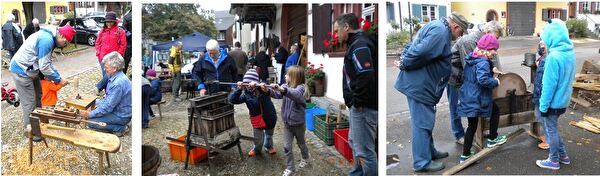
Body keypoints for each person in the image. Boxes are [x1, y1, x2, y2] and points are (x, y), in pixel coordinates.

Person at [394, 12, 470, 172]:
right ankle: (422, 162)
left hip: (423, 85)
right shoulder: (440, 32)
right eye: (461, 32)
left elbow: (414, 45)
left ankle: (429, 152)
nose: (460, 36)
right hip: (420, 86)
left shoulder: (439, 28)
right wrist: (404, 63)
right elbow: (419, 52)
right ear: (455, 26)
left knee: (426, 121)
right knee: (422, 124)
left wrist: (405, 61)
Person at [10, 24, 74, 141]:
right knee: (29, 102)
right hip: (21, 71)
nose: (63, 47)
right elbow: (44, 67)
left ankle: (40, 122)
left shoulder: (49, 37)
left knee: (38, 96)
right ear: (62, 36)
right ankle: (31, 131)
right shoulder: (46, 40)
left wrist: (58, 76)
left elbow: (47, 63)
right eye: (65, 44)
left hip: (31, 70)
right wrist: (59, 80)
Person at [333, 13, 378, 175]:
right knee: (355, 144)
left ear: (346, 27)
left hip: (363, 108)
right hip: (359, 107)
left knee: (365, 152)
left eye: (337, 31)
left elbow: (366, 74)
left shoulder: (359, 44)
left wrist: (357, 102)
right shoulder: (357, 43)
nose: (335, 35)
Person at [448, 21, 504, 144]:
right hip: (456, 76)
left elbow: (490, 60)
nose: (496, 42)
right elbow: (469, 67)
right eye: (496, 38)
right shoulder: (469, 42)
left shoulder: (486, 42)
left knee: (475, 107)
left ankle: (477, 132)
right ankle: (459, 134)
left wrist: (496, 70)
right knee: (457, 107)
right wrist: (491, 81)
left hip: (469, 79)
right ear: (487, 33)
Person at [457, 34, 507, 163]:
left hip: (468, 95)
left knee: (471, 125)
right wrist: (495, 81)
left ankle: (465, 154)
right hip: (477, 97)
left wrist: (491, 70)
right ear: (486, 49)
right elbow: (483, 79)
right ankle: (492, 138)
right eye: (493, 49)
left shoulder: (472, 58)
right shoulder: (484, 62)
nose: (495, 52)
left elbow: (475, 74)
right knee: (495, 110)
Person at [535, 19, 574, 170]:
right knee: (553, 130)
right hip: (563, 101)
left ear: (551, 37)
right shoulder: (569, 54)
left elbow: (549, 86)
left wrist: (543, 106)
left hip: (552, 103)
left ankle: (553, 160)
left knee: (551, 132)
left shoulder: (553, 57)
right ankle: (563, 155)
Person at [264, 66, 308, 176]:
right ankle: (290, 168)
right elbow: (277, 94)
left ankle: (306, 157)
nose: (285, 76)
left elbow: (295, 94)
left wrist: (282, 89)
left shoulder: (301, 88)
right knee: (287, 147)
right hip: (287, 124)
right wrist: (267, 90)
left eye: (287, 74)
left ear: (294, 77)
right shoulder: (285, 86)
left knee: (301, 144)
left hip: (298, 125)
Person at [80, 52, 132, 136]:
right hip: (118, 110)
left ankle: (120, 128)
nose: (104, 69)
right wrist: (94, 103)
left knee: (90, 122)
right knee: (93, 110)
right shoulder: (116, 76)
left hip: (121, 116)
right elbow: (108, 100)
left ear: (114, 68)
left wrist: (90, 114)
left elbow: (108, 107)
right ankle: (118, 124)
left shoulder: (118, 83)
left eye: (106, 67)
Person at [228, 69, 278, 156]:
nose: (249, 86)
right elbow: (232, 100)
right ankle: (257, 149)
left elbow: (259, 99)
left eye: (250, 83)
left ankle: (269, 146)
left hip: (270, 117)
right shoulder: (246, 94)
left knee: (269, 135)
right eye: (246, 83)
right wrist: (239, 89)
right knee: (258, 138)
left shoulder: (263, 90)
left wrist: (261, 88)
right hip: (256, 118)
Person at [95, 11, 127, 94]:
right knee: (105, 75)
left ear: (115, 21)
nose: (109, 23)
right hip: (103, 57)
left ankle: (98, 87)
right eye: (107, 21)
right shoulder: (102, 31)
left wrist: (117, 56)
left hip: (113, 59)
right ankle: (107, 93)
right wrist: (98, 53)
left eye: (111, 21)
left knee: (110, 74)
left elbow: (123, 45)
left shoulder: (120, 31)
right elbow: (97, 43)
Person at [533, 41, 549, 150]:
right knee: (538, 115)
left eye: (543, 44)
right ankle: (548, 138)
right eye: (540, 44)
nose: (541, 46)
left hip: (543, 92)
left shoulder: (549, 58)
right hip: (539, 91)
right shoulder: (543, 56)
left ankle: (549, 141)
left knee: (544, 117)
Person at [122, 10, 133, 74]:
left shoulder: (127, 17)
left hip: (129, 42)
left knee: (126, 60)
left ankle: (123, 74)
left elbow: (124, 30)